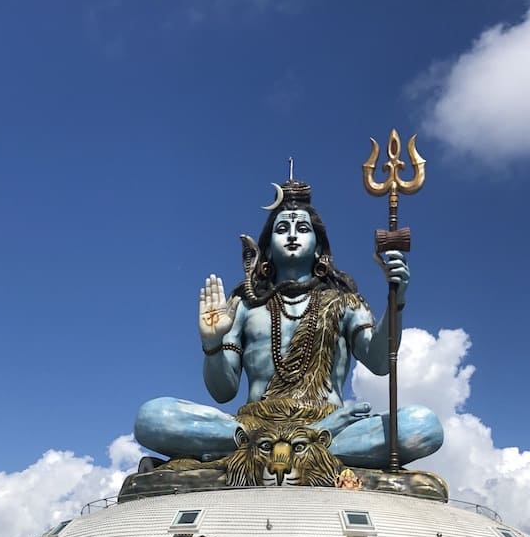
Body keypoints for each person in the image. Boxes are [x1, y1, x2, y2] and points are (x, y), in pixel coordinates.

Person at [134, 176, 443, 470]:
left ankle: (262, 452)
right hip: (255, 424)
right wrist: (212, 344)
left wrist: (395, 303)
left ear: (319, 246)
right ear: (266, 248)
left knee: (422, 426)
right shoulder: (244, 305)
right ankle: (305, 449)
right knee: (152, 417)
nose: (292, 234)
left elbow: (379, 362)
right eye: (282, 228)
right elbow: (223, 392)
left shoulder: (346, 301)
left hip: (330, 425)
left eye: (302, 229)